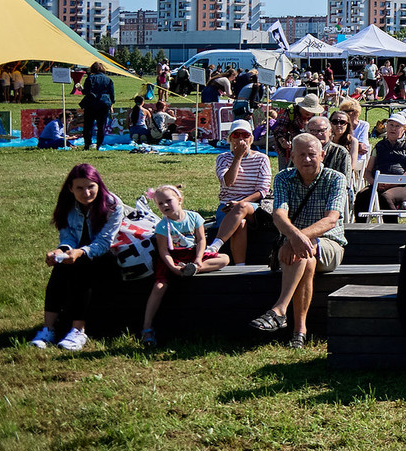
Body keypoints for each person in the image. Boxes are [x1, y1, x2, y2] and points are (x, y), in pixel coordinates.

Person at [249, 134, 348, 348]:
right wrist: (296, 238)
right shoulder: (284, 178)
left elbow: (331, 220)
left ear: (322, 155)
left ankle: (280, 310)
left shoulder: (336, 178)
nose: (307, 159)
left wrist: (294, 238)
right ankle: (299, 332)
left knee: (305, 249)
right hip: (296, 247)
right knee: (306, 257)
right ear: (292, 157)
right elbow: (278, 215)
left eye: (312, 154)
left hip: (329, 244)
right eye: (301, 155)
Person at [30, 164, 128, 351]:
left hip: (107, 256)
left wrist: (79, 252)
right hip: (77, 254)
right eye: (80, 188)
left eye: (91, 186)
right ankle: (48, 329)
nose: (86, 192)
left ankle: (78, 330)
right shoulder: (66, 205)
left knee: (81, 267)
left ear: (99, 185)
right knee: (60, 268)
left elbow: (104, 242)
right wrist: (60, 252)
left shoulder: (112, 205)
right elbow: (67, 237)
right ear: (70, 188)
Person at [140, 184, 229, 347]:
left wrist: (198, 259)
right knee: (159, 287)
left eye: (168, 201)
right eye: (160, 204)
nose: (165, 205)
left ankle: (193, 269)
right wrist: (173, 267)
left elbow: (202, 240)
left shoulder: (194, 217)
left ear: (180, 200)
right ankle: (147, 328)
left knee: (224, 259)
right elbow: (163, 250)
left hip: (193, 254)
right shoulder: (162, 225)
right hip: (173, 257)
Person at [205, 120, 273, 265]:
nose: (241, 139)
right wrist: (238, 157)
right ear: (230, 138)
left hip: (252, 206)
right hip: (227, 205)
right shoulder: (223, 158)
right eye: (236, 135)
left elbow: (262, 190)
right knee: (240, 223)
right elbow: (228, 182)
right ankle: (240, 265)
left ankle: (214, 246)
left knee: (241, 208)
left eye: (245, 135)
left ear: (251, 138)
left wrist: (240, 203)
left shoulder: (261, 159)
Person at [78, 62, 114, 150]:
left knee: (88, 125)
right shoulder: (108, 80)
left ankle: (87, 145)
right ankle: (99, 145)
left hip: (91, 104)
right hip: (104, 104)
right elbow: (112, 94)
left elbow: (86, 91)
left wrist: (81, 89)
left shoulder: (90, 78)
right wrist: (111, 105)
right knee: (101, 126)